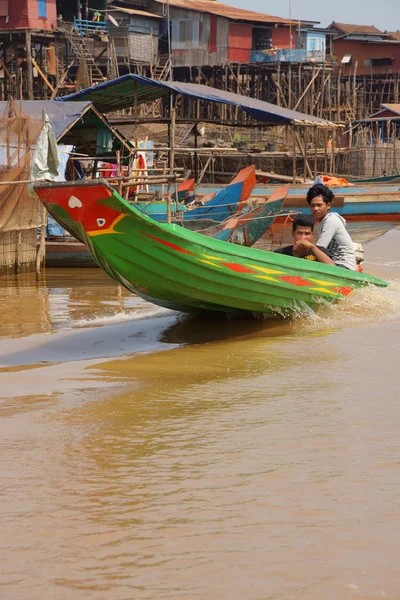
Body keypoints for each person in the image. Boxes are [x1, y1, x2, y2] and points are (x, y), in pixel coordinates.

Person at [306, 184, 356, 270]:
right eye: (312, 205)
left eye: (319, 205)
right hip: (333, 262)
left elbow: (320, 248)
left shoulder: (331, 221)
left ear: (328, 205)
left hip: (343, 264)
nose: (315, 209)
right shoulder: (322, 222)